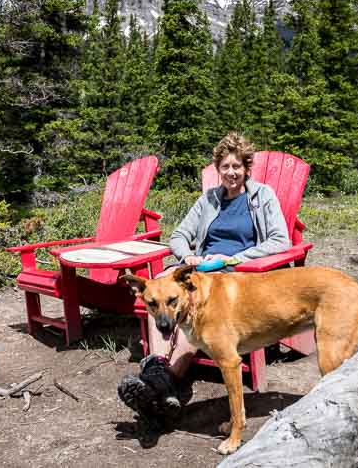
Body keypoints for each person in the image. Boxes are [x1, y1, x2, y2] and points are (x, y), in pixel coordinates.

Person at [118, 132, 292, 425]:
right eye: (225, 167)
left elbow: (279, 240)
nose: (231, 173)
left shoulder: (263, 196)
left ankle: (159, 383)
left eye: (237, 166)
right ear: (218, 169)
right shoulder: (209, 199)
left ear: (246, 167)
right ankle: (161, 379)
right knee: (158, 289)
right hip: (199, 269)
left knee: (191, 310)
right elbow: (179, 235)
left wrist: (233, 259)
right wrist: (188, 256)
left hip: (238, 272)